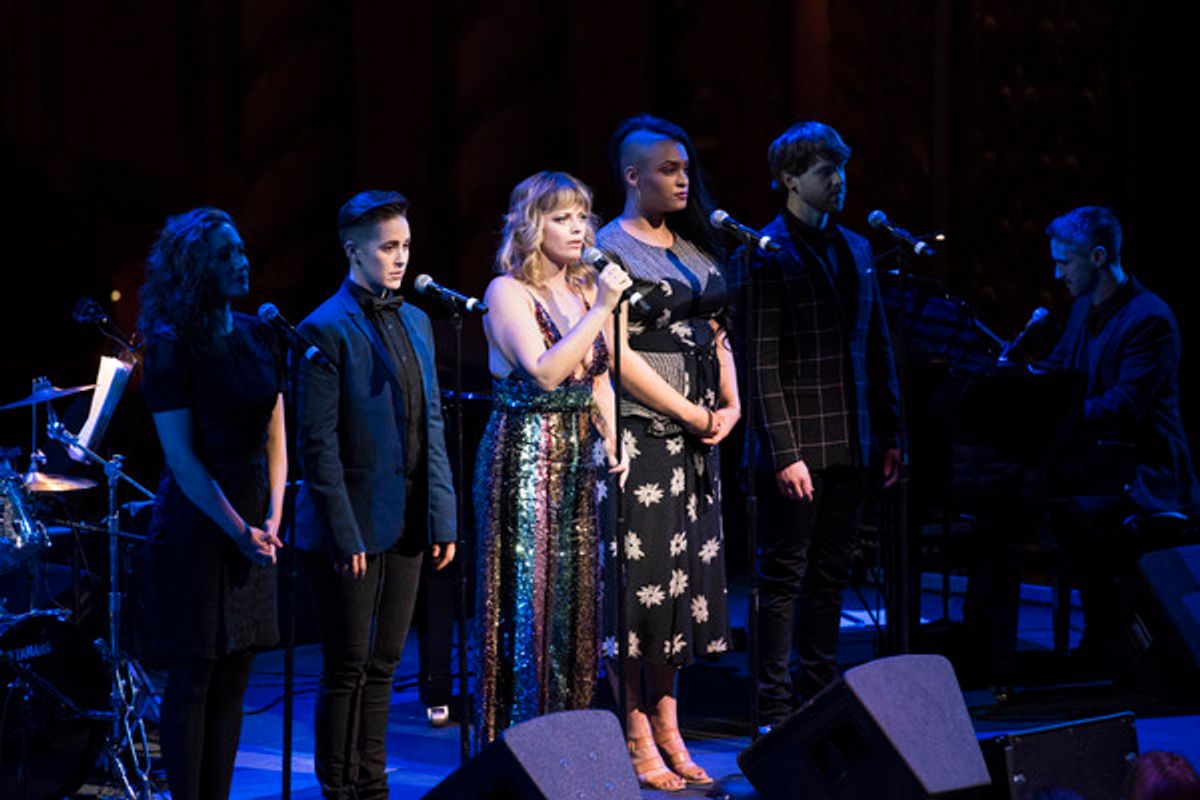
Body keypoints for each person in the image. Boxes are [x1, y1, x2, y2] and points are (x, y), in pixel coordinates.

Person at [738, 121, 901, 734]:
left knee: (832, 575)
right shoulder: (764, 251)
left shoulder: (858, 247)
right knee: (783, 577)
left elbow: (877, 344)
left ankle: (820, 698)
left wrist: (890, 435)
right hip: (797, 443)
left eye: (841, 170)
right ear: (789, 179)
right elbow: (759, 363)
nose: (838, 182)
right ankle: (774, 712)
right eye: (824, 172)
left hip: (853, 439)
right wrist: (784, 452)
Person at [294, 190, 457, 799]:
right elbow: (318, 444)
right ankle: (340, 788)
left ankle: (371, 785)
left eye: (406, 246)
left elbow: (431, 426)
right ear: (352, 249)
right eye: (388, 247)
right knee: (347, 666)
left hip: (409, 519)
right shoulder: (323, 327)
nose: (400, 258)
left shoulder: (415, 319)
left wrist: (442, 516)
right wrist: (342, 529)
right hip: (354, 525)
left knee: (387, 662)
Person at [596, 114, 739, 791]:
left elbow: (715, 328)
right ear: (633, 176)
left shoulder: (691, 247)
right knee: (640, 589)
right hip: (643, 439)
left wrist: (730, 404)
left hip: (697, 445)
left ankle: (669, 720)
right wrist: (685, 409)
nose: (684, 179)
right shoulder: (608, 252)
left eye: (686, 168)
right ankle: (632, 725)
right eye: (669, 170)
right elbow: (614, 351)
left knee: (683, 588)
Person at [473, 171, 631, 746]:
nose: (578, 228)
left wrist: (615, 436)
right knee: (527, 609)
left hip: (579, 460)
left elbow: (599, 375)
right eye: (562, 217)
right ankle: (516, 746)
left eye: (582, 216)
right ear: (531, 226)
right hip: (524, 459)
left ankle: (568, 747)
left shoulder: (587, 288)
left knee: (577, 609)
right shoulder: (507, 291)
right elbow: (543, 373)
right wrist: (603, 308)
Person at [139, 207, 286, 800]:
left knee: (237, 672)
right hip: (200, 523)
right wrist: (237, 529)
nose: (241, 262)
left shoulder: (257, 333)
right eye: (226, 255)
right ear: (196, 268)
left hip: (255, 516)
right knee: (196, 673)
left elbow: (277, 432)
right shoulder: (171, 346)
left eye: (242, 250)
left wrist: (273, 516)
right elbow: (181, 458)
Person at [1039, 206, 1199, 662]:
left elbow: (1124, 405)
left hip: (1147, 471)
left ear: (1097, 256)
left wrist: (1057, 416)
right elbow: (1059, 373)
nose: (1057, 273)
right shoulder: (1081, 311)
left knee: (1076, 515)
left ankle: (1108, 640)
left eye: (1063, 262)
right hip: (1104, 464)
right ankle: (1099, 637)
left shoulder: (1149, 318)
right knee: (1054, 507)